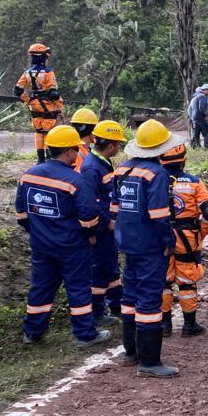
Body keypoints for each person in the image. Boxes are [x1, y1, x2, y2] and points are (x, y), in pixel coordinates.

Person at [15, 125, 111, 348]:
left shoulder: (28, 176)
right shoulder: (75, 181)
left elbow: (22, 214)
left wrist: (38, 232)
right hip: (72, 246)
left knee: (41, 287)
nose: (78, 153)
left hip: (41, 246)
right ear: (68, 151)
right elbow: (89, 216)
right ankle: (85, 335)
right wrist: (90, 235)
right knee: (78, 289)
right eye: (76, 149)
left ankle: (32, 332)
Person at [113, 119, 182, 377]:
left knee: (130, 296)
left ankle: (130, 352)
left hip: (128, 242)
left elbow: (115, 208)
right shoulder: (157, 174)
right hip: (150, 246)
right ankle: (150, 362)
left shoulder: (122, 170)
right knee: (150, 300)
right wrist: (169, 242)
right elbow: (159, 216)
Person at [159, 143, 208, 337]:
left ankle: (164, 325)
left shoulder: (154, 180)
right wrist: (201, 233)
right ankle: (189, 325)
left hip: (161, 238)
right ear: (183, 160)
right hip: (187, 240)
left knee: (164, 281)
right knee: (187, 282)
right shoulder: (194, 182)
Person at [80, 120, 128, 327]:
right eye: (118, 144)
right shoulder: (91, 168)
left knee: (111, 267)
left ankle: (117, 304)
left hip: (109, 227)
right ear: (110, 145)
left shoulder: (102, 162)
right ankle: (97, 312)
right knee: (100, 269)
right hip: (101, 228)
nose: (119, 148)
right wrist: (108, 223)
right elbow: (91, 203)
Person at [14, 43, 64, 164]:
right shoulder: (48, 73)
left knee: (38, 132)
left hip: (33, 104)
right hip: (47, 105)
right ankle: (49, 158)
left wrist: (28, 100)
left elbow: (17, 90)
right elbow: (54, 94)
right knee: (48, 132)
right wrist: (60, 108)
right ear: (43, 57)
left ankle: (40, 159)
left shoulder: (26, 73)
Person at [189, 84, 208, 149]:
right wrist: (205, 115)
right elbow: (201, 107)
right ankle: (207, 146)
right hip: (201, 117)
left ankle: (194, 146)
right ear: (205, 90)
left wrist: (192, 117)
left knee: (196, 132)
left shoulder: (195, 97)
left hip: (195, 117)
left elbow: (190, 109)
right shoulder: (202, 96)